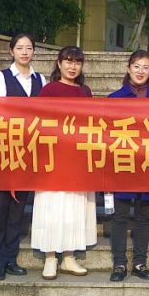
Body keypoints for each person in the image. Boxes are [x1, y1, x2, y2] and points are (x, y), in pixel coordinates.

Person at [31, 46, 96, 279]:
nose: (72, 66)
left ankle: (69, 256)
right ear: (58, 64)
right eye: (68, 61)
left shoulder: (85, 91)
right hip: (52, 158)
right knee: (51, 206)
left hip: (77, 158)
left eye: (77, 62)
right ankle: (50, 257)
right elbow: (37, 120)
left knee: (73, 208)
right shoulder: (49, 89)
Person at [0, 32, 45, 281]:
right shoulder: (1, 77)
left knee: (18, 210)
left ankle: (11, 258)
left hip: (30, 152)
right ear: (11, 51)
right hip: (4, 150)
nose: (24, 52)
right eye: (19, 47)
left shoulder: (40, 78)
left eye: (29, 48)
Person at [107, 50, 149, 282]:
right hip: (122, 164)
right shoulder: (114, 99)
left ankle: (140, 262)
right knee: (119, 216)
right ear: (128, 68)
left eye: (145, 67)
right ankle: (119, 264)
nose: (140, 71)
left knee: (143, 216)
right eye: (136, 66)